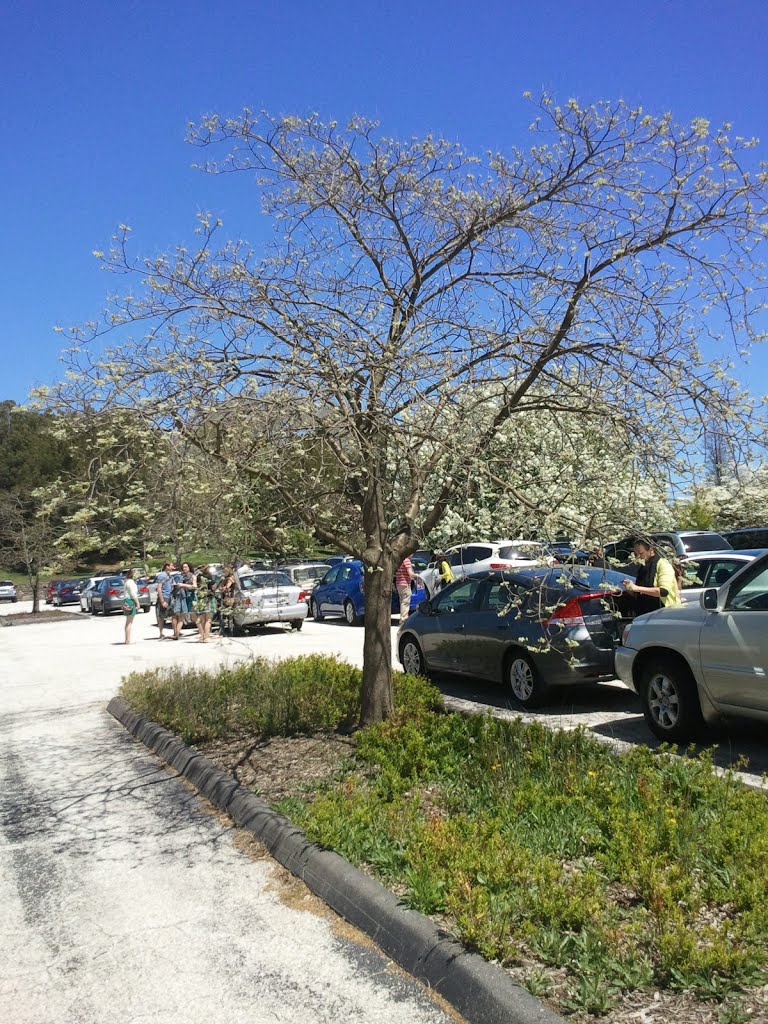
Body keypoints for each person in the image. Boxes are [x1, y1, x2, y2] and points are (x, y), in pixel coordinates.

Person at [623, 537, 682, 615]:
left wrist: (636, 588)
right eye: (636, 554)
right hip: (646, 613)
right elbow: (642, 592)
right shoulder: (643, 567)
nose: (638, 557)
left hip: (665, 613)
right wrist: (631, 589)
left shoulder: (663, 564)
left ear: (651, 550)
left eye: (641, 553)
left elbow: (663, 591)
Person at [170, 561, 196, 640]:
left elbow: (194, 586)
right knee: (175, 615)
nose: (184, 568)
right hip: (179, 596)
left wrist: (183, 585)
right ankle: (176, 633)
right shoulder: (180, 576)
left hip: (188, 597)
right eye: (183, 567)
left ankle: (177, 634)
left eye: (186, 567)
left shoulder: (192, 576)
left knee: (186, 615)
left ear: (189, 568)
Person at [194, 565, 217, 643]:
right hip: (209, 598)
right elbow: (213, 587)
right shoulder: (209, 577)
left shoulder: (198, 577)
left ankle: (202, 636)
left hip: (201, 598)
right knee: (208, 619)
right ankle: (206, 637)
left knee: (202, 619)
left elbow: (196, 586)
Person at [154, 561, 174, 639]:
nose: (172, 567)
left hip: (170, 596)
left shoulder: (169, 575)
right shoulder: (162, 576)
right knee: (162, 616)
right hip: (164, 596)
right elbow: (159, 588)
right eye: (171, 566)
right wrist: (162, 601)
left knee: (173, 615)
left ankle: (175, 632)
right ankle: (161, 633)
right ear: (167, 566)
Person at [216, 566, 237, 635]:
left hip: (228, 598)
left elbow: (226, 588)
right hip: (225, 597)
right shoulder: (225, 579)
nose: (223, 573)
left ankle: (226, 630)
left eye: (225, 572)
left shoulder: (230, 579)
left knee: (226, 614)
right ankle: (224, 629)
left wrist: (222, 588)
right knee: (224, 613)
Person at [395, 556, 415, 624]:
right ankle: (404, 619)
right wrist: (418, 575)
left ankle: (402, 618)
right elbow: (410, 574)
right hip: (405, 584)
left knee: (402, 602)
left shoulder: (399, 561)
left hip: (398, 583)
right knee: (406, 602)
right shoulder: (407, 561)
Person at [122, 569, 140, 645]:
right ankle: (128, 640)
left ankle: (127, 639)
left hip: (126, 600)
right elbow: (133, 594)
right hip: (130, 601)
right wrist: (137, 603)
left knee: (128, 622)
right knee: (129, 622)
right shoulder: (131, 582)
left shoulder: (127, 581)